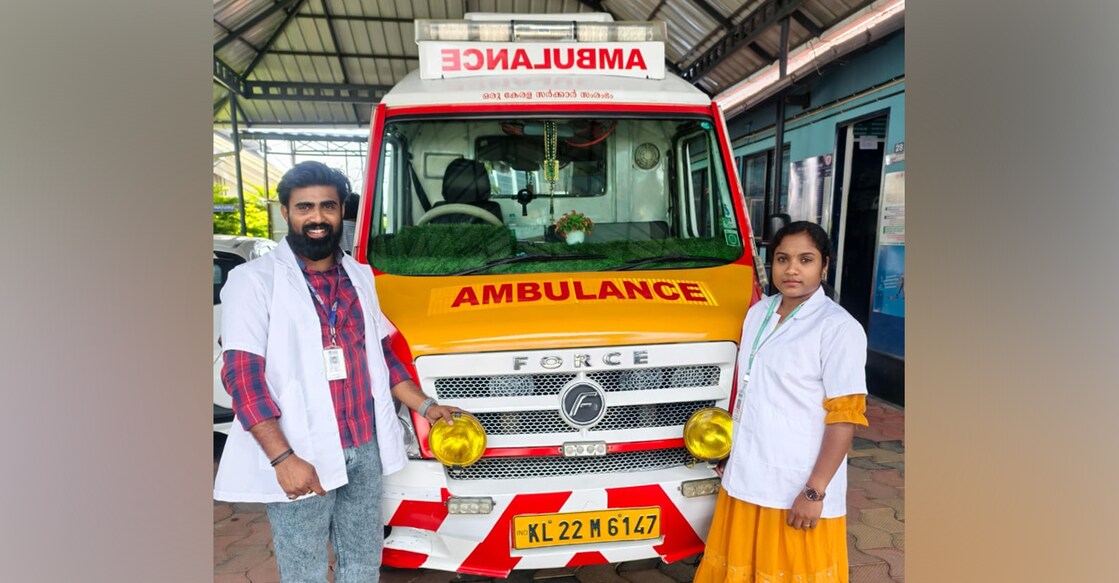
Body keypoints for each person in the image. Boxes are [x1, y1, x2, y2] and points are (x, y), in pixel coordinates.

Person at [213, 161, 463, 583]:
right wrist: (283, 458)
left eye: (327, 206)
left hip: (363, 445)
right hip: (300, 447)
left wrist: (426, 406)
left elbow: (382, 356)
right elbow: (243, 377)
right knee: (305, 571)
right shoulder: (253, 281)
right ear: (286, 212)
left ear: (341, 210)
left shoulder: (360, 276)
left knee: (363, 561)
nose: (317, 217)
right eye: (304, 207)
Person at [695, 221, 868, 583]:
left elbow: (844, 417)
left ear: (824, 265)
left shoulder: (838, 328)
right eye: (782, 259)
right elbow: (749, 391)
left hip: (796, 485)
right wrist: (731, 452)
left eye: (806, 259)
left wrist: (814, 491)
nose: (792, 269)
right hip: (747, 477)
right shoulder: (759, 313)